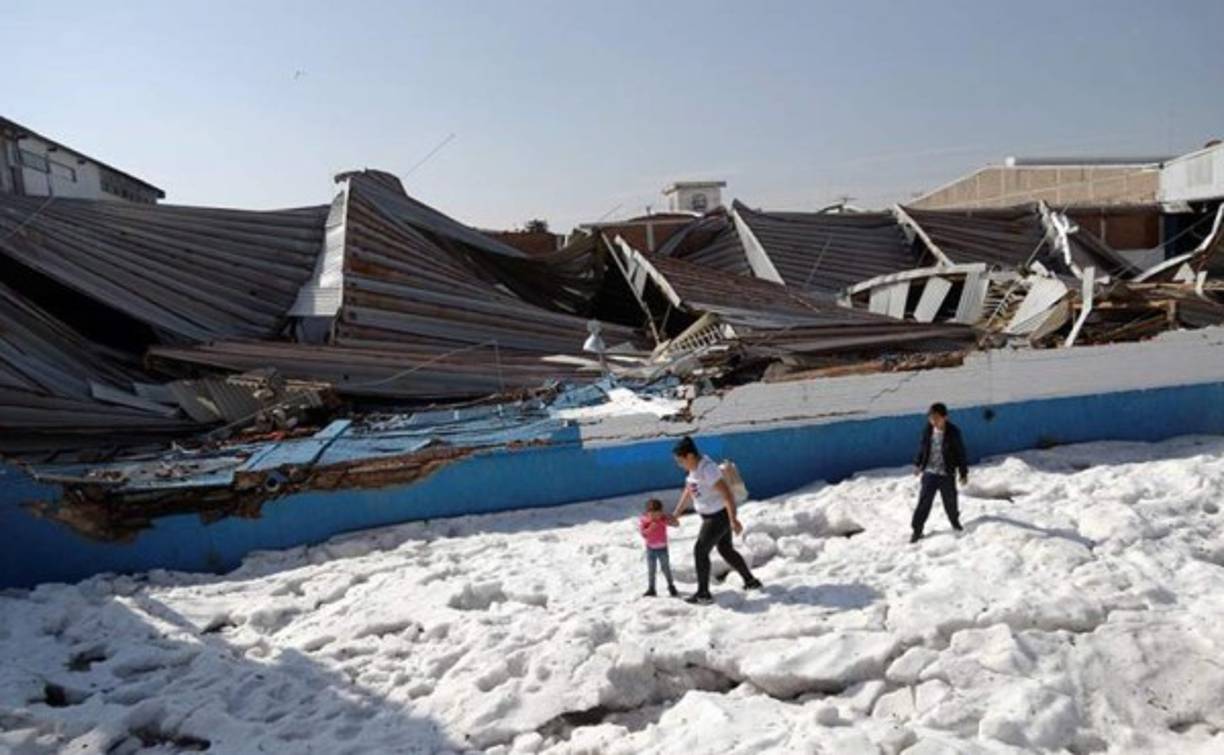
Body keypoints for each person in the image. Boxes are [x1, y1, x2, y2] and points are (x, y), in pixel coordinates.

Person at [670, 436, 762, 605]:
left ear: (690, 456)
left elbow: (727, 494)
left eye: (680, 461)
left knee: (700, 550)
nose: (679, 465)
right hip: (711, 516)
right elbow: (690, 489)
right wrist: (676, 513)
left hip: (717, 517)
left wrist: (733, 519)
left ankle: (703, 594)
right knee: (725, 549)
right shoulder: (694, 469)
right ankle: (750, 581)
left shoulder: (708, 469)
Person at [911, 402, 969, 543]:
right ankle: (917, 530)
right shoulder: (928, 430)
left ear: (945, 417)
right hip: (930, 473)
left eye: (936, 418)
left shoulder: (953, 432)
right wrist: (918, 464)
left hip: (946, 473)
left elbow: (961, 453)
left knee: (950, 502)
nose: (933, 421)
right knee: (924, 502)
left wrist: (963, 472)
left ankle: (955, 522)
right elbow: (923, 448)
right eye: (931, 418)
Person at [639, 498, 679, 598]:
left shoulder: (663, 520)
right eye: (651, 514)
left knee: (666, 568)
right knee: (651, 570)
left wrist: (672, 519)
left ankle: (671, 586)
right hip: (650, 549)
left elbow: (676, 524)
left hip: (662, 549)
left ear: (661, 512)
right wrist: (649, 529)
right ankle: (651, 588)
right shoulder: (645, 521)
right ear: (647, 513)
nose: (654, 516)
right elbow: (643, 534)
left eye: (657, 514)